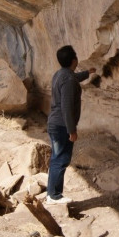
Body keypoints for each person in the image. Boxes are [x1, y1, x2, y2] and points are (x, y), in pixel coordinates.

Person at [46, 45, 96, 204]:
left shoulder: (60, 74)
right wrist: (71, 130)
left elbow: (74, 78)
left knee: (57, 158)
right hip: (61, 125)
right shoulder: (68, 79)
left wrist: (87, 73)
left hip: (55, 122)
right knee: (61, 159)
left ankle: (52, 193)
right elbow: (67, 107)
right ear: (74, 60)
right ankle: (54, 196)